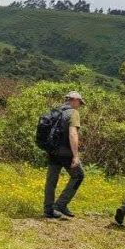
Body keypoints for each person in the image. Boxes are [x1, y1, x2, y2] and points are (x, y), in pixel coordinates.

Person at [43, 91, 85, 219]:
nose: (79, 105)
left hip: (52, 151)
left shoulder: (55, 111)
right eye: (79, 103)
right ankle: (61, 204)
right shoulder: (73, 113)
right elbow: (73, 134)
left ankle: (48, 209)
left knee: (51, 180)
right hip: (66, 152)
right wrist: (75, 156)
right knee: (79, 175)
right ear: (74, 100)